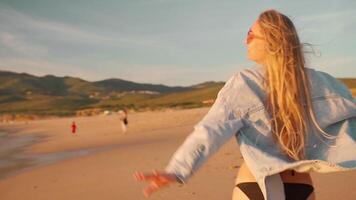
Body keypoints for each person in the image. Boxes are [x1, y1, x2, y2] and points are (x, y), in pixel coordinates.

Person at [133, 9, 356, 200]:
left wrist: (178, 170)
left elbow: (210, 131)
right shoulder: (325, 83)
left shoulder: (245, 83)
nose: (244, 41)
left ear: (271, 40)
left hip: (255, 186)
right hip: (303, 187)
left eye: (250, 35)